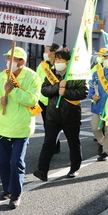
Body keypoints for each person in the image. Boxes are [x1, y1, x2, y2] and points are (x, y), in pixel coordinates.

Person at [0, 46, 41, 209]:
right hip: (3, 125)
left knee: (16, 161)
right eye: (7, 59)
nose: (8, 62)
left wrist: (12, 92)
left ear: (22, 62)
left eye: (12, 60)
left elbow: (32, 100)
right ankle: (7, 189)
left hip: (21, 126)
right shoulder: (0, 77)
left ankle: (16, 192)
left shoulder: (32, 77)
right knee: (3, 162)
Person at [33, 48, 88, 182]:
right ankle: (42, 170)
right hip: (53, 115)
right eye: (56, 59)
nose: (56, 61)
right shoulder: (51, 73)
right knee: (48, 143)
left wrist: (66, 92)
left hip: (71, 115)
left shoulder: (78, 74)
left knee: (73, 143)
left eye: (60, 59)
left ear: (68, 62)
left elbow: (84, 92)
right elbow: (44, 90)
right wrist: (58, 86)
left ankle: (74, 168)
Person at [89, 50, 108, 161]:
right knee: (95, 128)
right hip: (97, 105)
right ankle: (104, 143)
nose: (107, 60)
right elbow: (91, 87)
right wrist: (92, 96)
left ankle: (106, 151)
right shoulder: (97, 72)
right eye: (106, 58)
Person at [36, 43, 61, 154]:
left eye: (47, 51)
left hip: (55, 100)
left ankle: (51, 145)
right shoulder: (41, 65)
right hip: (42, 100)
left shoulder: (59, 65)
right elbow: (36, 80)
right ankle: (54, 144)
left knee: (54, 124)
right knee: (47, 124)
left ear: (53, 53)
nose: (44, 53)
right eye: (44, 51)